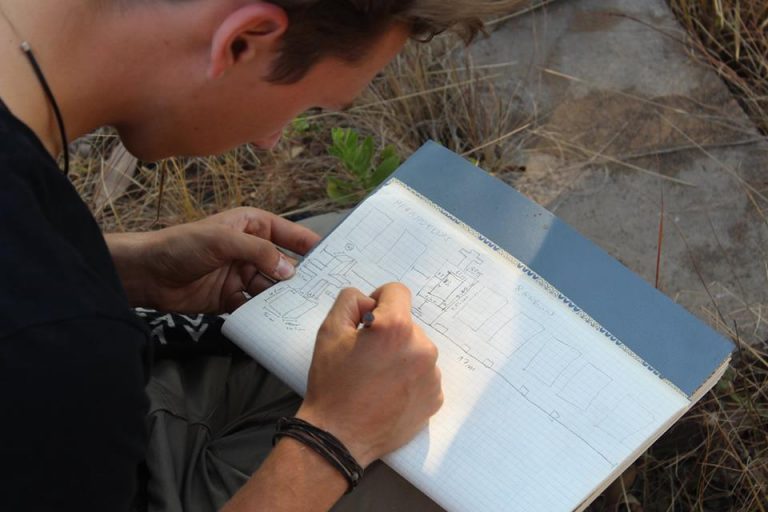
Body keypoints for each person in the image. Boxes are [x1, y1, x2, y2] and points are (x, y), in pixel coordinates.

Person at [0, 1, 520, 511]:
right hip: (105, 450)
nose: (272, 140)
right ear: (241, 41)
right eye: (306, 105)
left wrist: (124, 267)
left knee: (322, 238)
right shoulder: (62, 354)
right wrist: (337, 439)